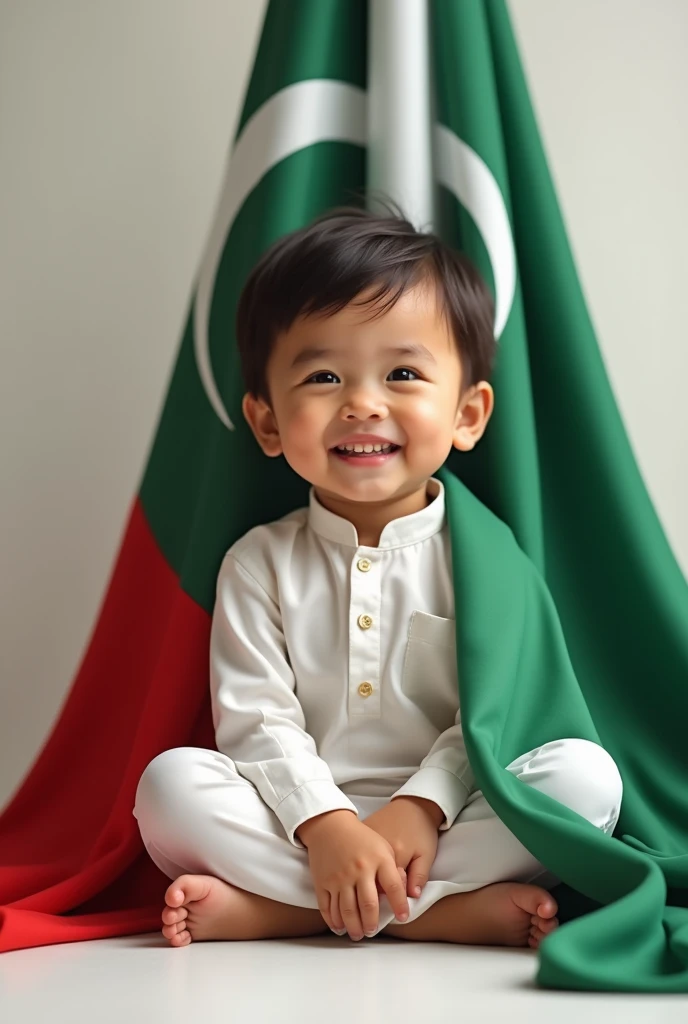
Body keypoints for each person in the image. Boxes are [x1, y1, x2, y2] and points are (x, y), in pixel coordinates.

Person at [133, 206, 623, 949]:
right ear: (268, 423)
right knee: (169, 789)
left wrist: (419, 806)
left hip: (452, 815)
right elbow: (257, 723)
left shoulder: (490, 561)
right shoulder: (258, 563)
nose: (363, 403)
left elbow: (494, 721)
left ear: (467, 413)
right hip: (294, 821)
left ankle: (284, 913)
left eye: (401, 373)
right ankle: (440, 914)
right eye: (324, 375)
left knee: (586, 780)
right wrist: (328, 826)